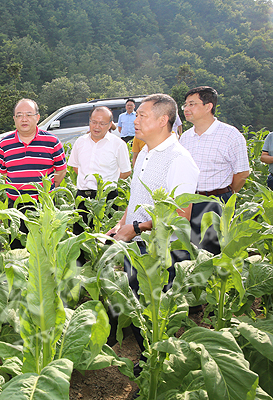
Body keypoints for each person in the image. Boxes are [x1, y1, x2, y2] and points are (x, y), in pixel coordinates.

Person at [106, 94, 199, 374]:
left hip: (161, 252)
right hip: (136, 244)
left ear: (162, 120)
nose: (135, 120)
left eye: (142, 116)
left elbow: (180, 216)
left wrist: (135, 228)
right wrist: (122, 222)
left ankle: (155, 371)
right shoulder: (144, 151)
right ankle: (147, 360)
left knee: (155, 312)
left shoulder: (179, 160)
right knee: (134, 303)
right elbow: (136, 198)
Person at [179, 86, 250, 254]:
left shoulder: (230, 135)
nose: (186, 109)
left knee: (212, 252)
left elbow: (242, 173)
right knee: (187, 249)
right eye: (185, 105)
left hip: (216, 202)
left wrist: (226, 192)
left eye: (192, 104)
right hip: (188, 201)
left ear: (208, 106)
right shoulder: (186, 137)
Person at [0, 98, 67, 248]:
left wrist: (46, 191)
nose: (24, 119)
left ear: (37, 117)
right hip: (16, 207)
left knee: (44, 248)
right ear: (14, 119)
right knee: (17, 248)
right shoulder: (4, 144)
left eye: (29, 114)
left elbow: (61, 170)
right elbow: (4, 174)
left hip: (43, 206)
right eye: (19, 115)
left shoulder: (52, 141)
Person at [68, 106, 131, 234]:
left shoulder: (118, 144)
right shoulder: (80, 142)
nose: (97, 126)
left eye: (102, 123)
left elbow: (126, 171)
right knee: (80, 238)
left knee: (106, 238)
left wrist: (108, 184)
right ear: (89, 121)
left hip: (108, 199)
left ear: (110, 125)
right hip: (83, 197)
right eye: (94, 122)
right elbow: (75, 166)